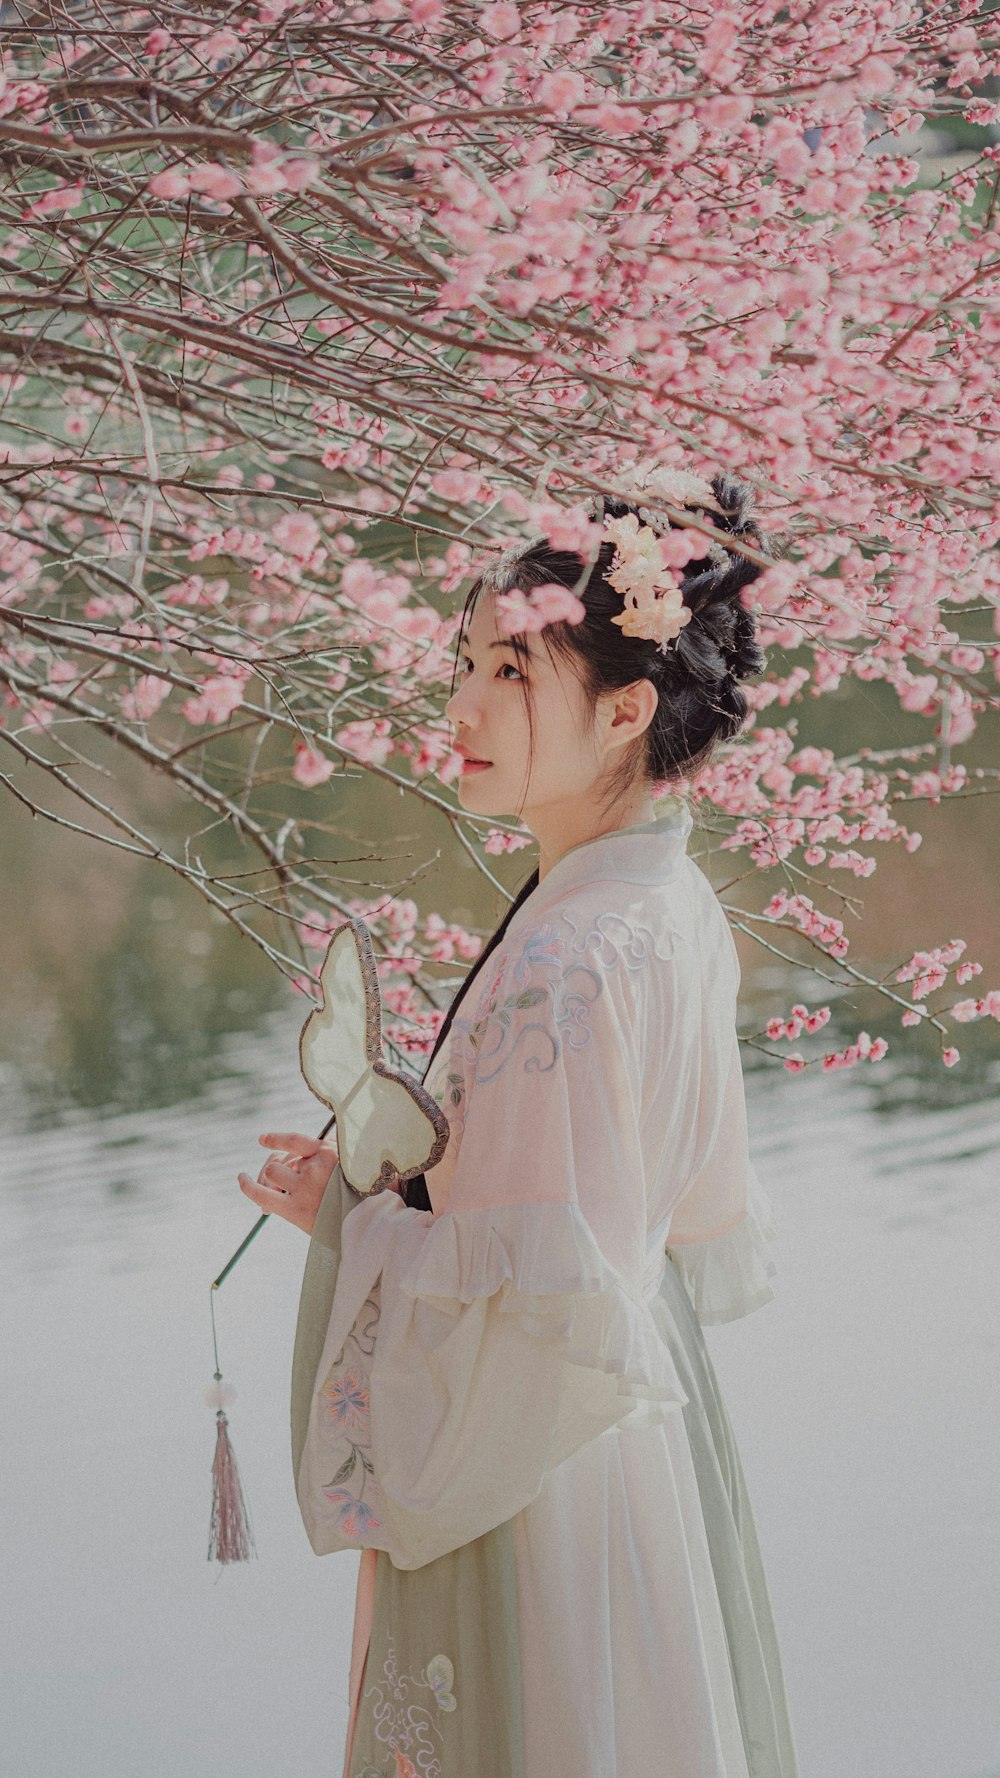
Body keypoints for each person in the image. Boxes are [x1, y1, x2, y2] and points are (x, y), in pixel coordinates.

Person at [237, 469, 801, 1778]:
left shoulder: (567, 954)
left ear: (624, 711)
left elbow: (534, 1287)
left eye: (507, 671)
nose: (462, 704)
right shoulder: (669, 904)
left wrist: (353, 1221)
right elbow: (697, 1210)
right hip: (638, 1423)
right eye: (468, 663)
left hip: (533, 1448)